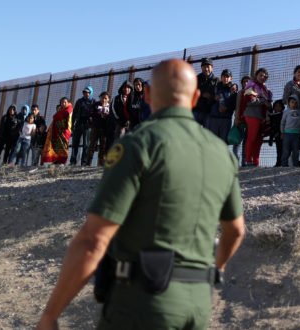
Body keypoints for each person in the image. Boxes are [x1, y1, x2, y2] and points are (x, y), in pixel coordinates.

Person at [36, 59, 246, 330]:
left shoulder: (138, 145)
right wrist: (215, 269)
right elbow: (236, 231)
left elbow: (93, 240)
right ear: (195, 97)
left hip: (142, 303)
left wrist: (50, 315)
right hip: (198, 305)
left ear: (147, 95)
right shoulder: (220, 153)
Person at [240, 68, 272, 167]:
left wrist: (267, 103)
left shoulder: (265, 89)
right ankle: (248, 159)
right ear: (256, 75)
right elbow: (250, 101)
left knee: (259, 140)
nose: (263, 77)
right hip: (252, 115)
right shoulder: (251, 85)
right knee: (252, 138)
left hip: (261, 117)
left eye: (265, 76)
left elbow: (268, 103)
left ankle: (256, 161)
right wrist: (263, 101)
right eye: (261, 75)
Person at [41, 99, 73, 165]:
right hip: (57, 132)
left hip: (64, 132)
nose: (63, 103)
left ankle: (62, 161)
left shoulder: (69, 109)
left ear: (68, 103)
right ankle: (57, 160)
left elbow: (69, 121)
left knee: (63, 147)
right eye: (62, 102)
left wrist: (66, 131)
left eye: (65, 102)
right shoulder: (60, 111)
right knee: (56, 146)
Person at [207, 69, 235, 142]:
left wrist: (227, 108)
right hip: (214, 118)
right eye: (224, 76)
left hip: (226, 119)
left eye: (227, 77)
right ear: (221, 77)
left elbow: (235, 105)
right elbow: (208, 102)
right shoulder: (215, 87)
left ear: (231, 78)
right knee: (212, 141)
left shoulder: (233, 90)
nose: (225, 78)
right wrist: (213, 98)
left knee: (223, 143)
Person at [70, 86, 95, 166]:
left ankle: (84, 162)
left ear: (91, 93)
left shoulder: (93, 102)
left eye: (88, 92)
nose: (86, 94)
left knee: (86, 144)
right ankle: (73, 161)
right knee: (75, 143)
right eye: (84, 92)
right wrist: (72, 125)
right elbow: (74, 114)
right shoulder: (79, 101)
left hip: (88, 125)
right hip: (79, 123)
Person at [108, 81, 136, 152]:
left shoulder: (134, 98)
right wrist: (119, 120)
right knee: (119, 141)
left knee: (131, 142)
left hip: (132, 124)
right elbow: (113, 110)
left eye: (128, 88)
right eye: (125, 87)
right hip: (120, 123)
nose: (127, 89)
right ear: (122, 88)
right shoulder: (116, 98)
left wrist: (132, 120)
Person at [86, 92, 110, 166]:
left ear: (108, 99)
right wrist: (98, 114)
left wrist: (106, 116)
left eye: (105, 98)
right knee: (92, 144)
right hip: (95, 127)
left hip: (105, 129)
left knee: (103, 145)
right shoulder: (95, 105)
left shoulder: (110, 106)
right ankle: (88, 162)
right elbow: (90, 114)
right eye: (102, 97)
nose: (103, 99)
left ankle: (100, 163)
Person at [193, 57, 218, 127]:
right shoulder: (196, 79)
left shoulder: (216, 80)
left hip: (209, 112)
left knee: (206, 134)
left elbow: (218, 95)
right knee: (193, 133)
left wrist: (211, 97)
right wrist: (201, 94)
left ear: (212, 68)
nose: (206, 69)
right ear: (201, 68)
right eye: (204, 66)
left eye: (208, 66)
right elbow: (191, 92)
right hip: (196, 111)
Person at [281, 95, 300, 167]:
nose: (294, 104)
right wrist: (282, 132)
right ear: (288, 103)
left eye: (295, 102)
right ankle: (284, 165)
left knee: (296, 151)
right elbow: (282, 122)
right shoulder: (286, 112)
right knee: (286, 151)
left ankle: (295, 165)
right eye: (292, 102)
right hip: (287, 134)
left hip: (297, 135)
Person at [232, 76, 251, 165]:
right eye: (244, 81)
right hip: (240, 121)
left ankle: (244, 162)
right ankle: (235, 163)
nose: (246, 83)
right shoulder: (240, 92)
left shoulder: (253, 93)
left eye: (248, 81)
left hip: (250, 121)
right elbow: (238, 107)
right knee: (237, 142)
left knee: (246, 143)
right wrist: (236, 119)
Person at [266, 100, 284, 166]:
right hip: (276, 136)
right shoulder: (272, 116)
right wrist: (271, 138)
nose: (277, 108)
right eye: (276, 106)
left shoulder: (283, 115)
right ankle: (278, 163)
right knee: (278, 150)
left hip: (283, 134)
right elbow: (272, 128)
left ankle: (284, 162)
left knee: (284, 150)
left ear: (282, 107)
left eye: (279, 106)